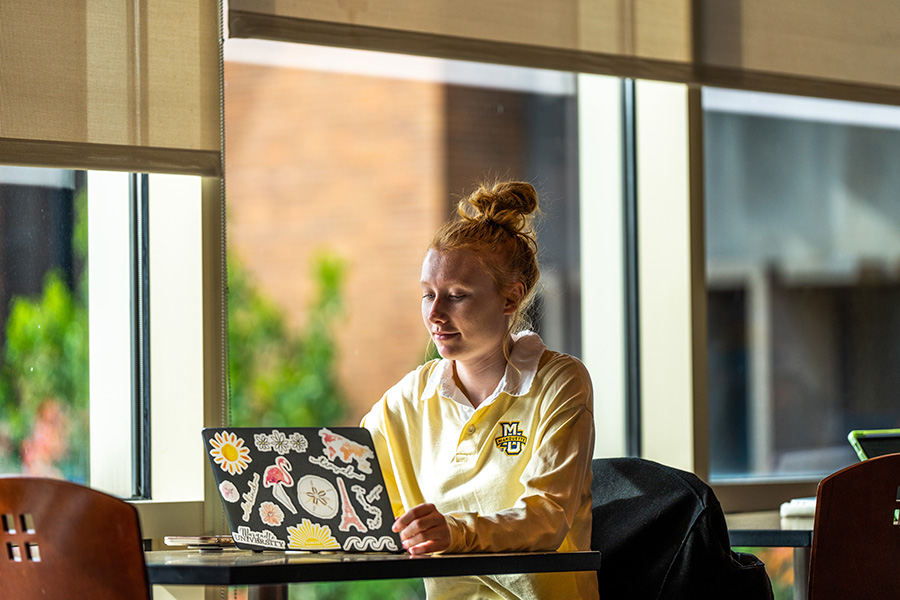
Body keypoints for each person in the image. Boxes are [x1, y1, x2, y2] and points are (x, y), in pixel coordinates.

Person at [361, 181, 597, 600]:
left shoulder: (559, 382)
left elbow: (548, 516)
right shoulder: (411, 398)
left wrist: (453, 532)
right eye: (428, 295)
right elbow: (353, 479)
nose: (435, 314)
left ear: (510, 299)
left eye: (456, 296)